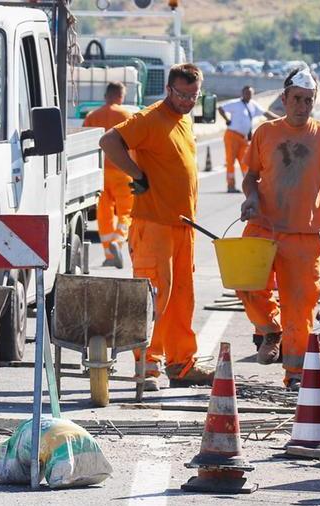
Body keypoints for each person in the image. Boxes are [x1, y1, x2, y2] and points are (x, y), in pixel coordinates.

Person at [236, 65, 320, 390]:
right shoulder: (265, 133)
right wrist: (251, 199)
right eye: (297, 98)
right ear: (284, 98)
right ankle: (270, 330)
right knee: (247, 284)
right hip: (262, 228)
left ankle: (294, 374)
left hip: (302, 236)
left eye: (308, 100)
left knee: (299, 306)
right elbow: (250, 176)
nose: (302, 106)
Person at [99, 63, 214, 390]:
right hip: (153, 227)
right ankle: (147, 366)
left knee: (181, 299)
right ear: (168, 89)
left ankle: (181, 364)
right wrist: (137, 175)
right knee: (155, 297)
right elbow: (110, 142)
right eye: (181, 95)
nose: (188, 101)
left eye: (193, 95)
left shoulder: (184, 119)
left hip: (181, 227)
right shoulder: (151, 117)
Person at [83, 82, 134, 268]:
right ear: (120, 96)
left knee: (104, 214)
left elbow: (84, 144)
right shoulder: (127, 115)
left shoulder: (92, 117)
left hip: (100, 174)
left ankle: (109, 256)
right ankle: (118, 241)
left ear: (106, 96)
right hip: (123, 173)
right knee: (126, 212)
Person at [218, 86, 279, 193]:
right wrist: (227, 120)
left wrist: (280, 120)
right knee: (230, 161)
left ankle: (249, 186)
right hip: (232, 136)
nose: (248, 95)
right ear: (242, 93)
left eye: (250, 93)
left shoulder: (253, 105)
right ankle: (231, 185)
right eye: (246, 93)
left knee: (246, 162)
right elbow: (220, 108)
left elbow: (266, 113)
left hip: (244, 138)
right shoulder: (235, 103)